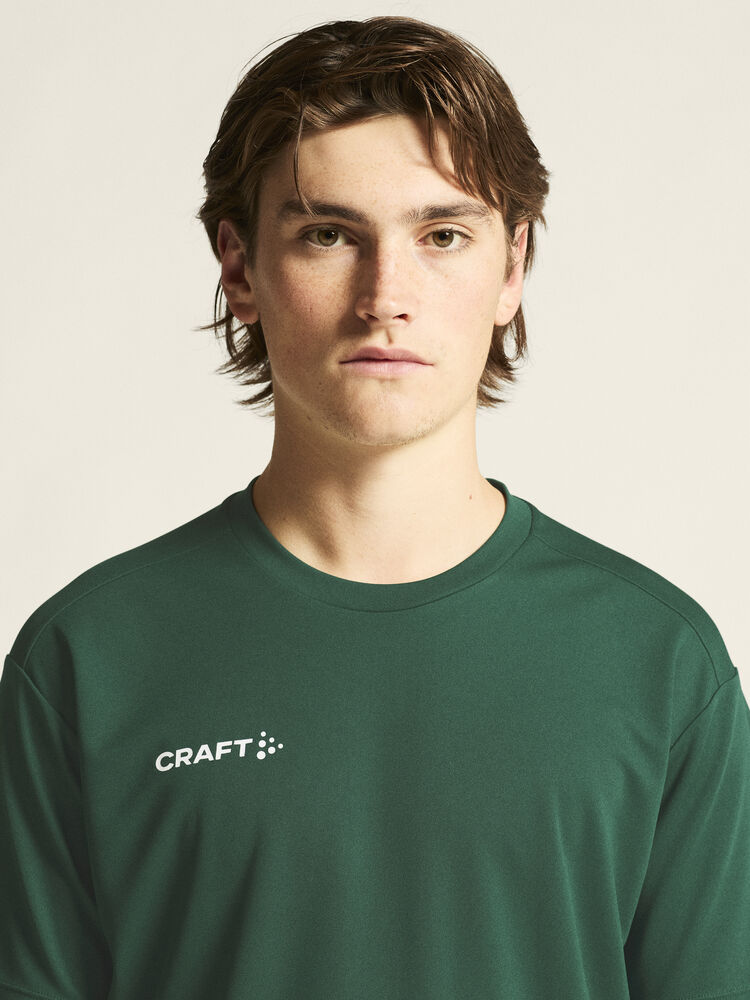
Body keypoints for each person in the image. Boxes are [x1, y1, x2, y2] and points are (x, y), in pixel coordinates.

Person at [1, 15, 748, 1000]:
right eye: (327, 234)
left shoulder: (658, 663)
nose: (385, 295)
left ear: (511, 268)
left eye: (442, 235)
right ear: (240, 267)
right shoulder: (88, 658)